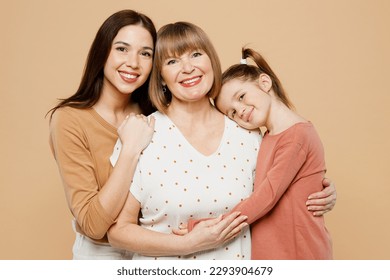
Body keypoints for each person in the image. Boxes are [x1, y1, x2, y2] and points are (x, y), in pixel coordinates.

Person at [107, 22, 336, 259]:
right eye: (172, 61)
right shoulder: (142, 134)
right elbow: (118, 231)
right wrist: (187, 244)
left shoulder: (247, 131)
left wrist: (318, 187)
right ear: (161, 77)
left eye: (196, 54)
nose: (187, 68)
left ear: (211, 62)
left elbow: (276, 191)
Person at [192, 47, 333, 259]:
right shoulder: (265, 137)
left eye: (241, 97)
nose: (240, 110)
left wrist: (210, 226)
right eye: (232, 112)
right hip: (273, 254)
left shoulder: (296, 136)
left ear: (265, 83)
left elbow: (265, 197)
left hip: (299, 253)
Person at [47, 10, 158, 259]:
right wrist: (130, 148)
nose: (133, 62)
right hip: (101, 255)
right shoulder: (69, 120)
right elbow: (93, 224)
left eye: (145, 53)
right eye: (122, 48)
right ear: (102, 51)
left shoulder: (156, 114)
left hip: (158, 250)